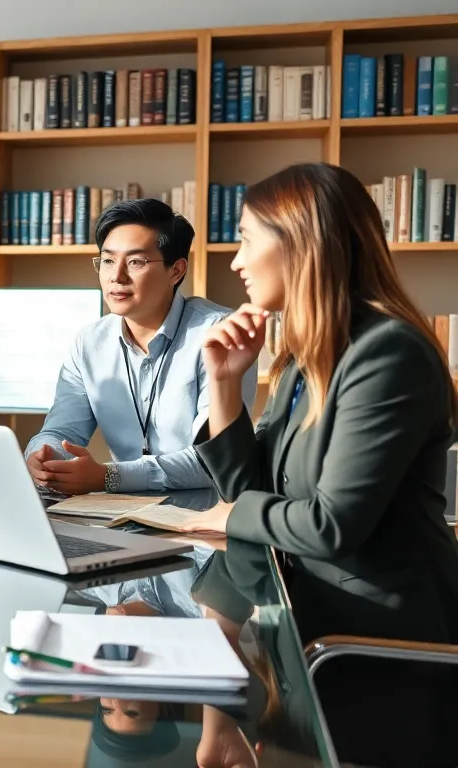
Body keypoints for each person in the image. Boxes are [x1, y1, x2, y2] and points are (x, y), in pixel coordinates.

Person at [178, 163, 458, 765]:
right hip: (310, 648)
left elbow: (331, 526)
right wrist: (225, 385)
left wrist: (228, 517)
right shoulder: (307, 362)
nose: (235, 262)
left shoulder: (388, 354)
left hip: (379, 655)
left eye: (247, 239)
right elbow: (251, 493)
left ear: (300, 242)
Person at [25, 198, 257, 496]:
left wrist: (109, 477)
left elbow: (213, 459)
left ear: (176, 271)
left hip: (202, 522)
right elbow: (61, 431)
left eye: (135, 262)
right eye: (107, 260)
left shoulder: (216, 336)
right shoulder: (90, 343)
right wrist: (44, 456)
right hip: (120, 517)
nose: (116, 276)